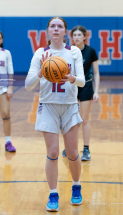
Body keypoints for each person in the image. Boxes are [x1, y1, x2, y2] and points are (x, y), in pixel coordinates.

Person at [25, 17, 85, 212]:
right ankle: (53, 194)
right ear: (48, 31)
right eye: (53, 26)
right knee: (52, 152)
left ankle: (76, 187)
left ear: (65, 31)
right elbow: (27, 85)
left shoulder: (74, 52)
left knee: (73, 152)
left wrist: (72, 77)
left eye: (60, 26)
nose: (56, 29)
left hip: (69, 106)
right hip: (48, 106)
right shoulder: (41, 53)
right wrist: (41, 73)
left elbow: (83, 81)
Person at [62, 25, 100, 161]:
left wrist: (97, 91)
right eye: (74, 35)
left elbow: (96, 73)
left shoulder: (91, 51)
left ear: (85, 37)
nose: (76, 38)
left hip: (86, 85)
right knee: (69, 118)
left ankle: (86, 149)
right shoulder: (68, 51)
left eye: (79, 35)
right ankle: (69, 146)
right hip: (71, 86)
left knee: (84, 118)